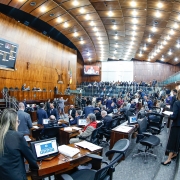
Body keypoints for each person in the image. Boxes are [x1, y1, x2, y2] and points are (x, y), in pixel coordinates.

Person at [0, 108, 39, 180]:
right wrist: (35, 169)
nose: (18, 124)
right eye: (18, 121)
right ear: (13, 122)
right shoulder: (18, 137)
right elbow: (31, 159)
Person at [161, 89, 180, 166]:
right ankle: (175, 154)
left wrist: (169, 116)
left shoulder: (177, 103)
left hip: (176, 125)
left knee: (172, 141)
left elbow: (174, 116)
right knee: (178, 140)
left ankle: (168, 159)